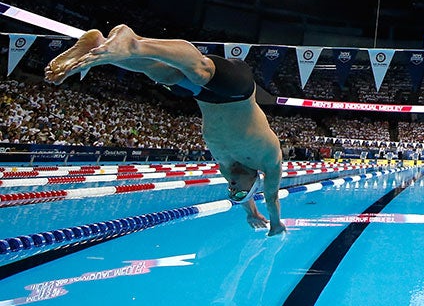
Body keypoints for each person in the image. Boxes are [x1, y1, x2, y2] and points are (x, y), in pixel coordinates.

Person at [44, 24, 286, 236]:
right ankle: (132, 43)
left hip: (203, 96)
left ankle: (101, 45)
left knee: (162, 72)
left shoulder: (226, 165)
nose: (232, 187)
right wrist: (274, 224)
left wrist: (249, 213)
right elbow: (271, 196)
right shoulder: (267, 159)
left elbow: (244, 195)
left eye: (230, 190)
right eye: (238, 190)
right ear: (255, 182)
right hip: (238, 90)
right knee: (200, 70)